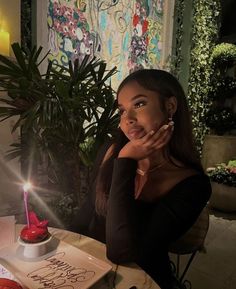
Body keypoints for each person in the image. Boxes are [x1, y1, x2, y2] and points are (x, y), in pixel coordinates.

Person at [74, 69, 212, 289]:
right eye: (121, 110)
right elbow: (85, 217)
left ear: (170, 106)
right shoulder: (111, 150)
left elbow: (122, 252)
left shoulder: (193, 185)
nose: (127, 119)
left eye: (139, 104)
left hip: (143, 280)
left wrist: (127, 161)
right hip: (90, 271)